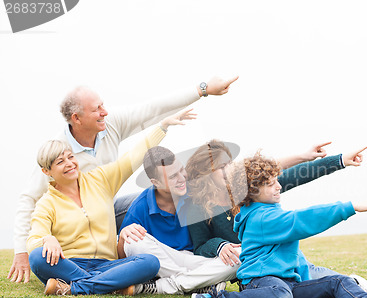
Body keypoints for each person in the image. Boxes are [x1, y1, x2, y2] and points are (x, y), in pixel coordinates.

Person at [9, 76, 239, 283]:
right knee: (40, 256)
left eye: (102, 105)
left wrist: (201, 91)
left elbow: (148, 113)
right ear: (76, 118)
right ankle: (99, 277)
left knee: (146, 204)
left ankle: (157, 258)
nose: (104, 112)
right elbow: (28, 201)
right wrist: (24, 250)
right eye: (96, 109)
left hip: (106, 210)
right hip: (75, 237)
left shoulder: (107, 140)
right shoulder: (55, 165)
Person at [191, 153, 367, 298]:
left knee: (337, 282)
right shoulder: (261, 218)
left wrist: (340, 160)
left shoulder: (270, 207)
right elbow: (302, 220)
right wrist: (350, 207)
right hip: (260, 282)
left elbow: (291, 256)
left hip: (288, 282)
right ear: (252, 192)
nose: (279, 186)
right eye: (271, 184)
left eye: (276, 180)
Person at [182, 139, 367, 298]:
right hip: (257, 270)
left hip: (287, 259)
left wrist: (340, 160)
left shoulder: (244, 189)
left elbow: (294, 175)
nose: (227, 170)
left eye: (229, 164)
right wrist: (219, 246)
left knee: (330, 281)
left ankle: (356, 286)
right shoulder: (196, 206)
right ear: (204, 172)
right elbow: (199, 245)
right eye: (220, 167)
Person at [27, 109, 196, 296]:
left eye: (71, 157)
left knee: (150, 262)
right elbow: (34, 240)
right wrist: (47, 239)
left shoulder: (100, 180)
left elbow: (131, 158)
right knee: (37, 257)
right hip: (70, 264)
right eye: (60, 162)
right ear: (47, 171)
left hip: (108, 264)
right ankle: (105, 284)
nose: (70, 164)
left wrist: (162, 127)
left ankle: (74, 288)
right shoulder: (46, 203)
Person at [117, 146, 238, 295]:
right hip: (162, 261)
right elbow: (123, 259)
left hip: (194, 260)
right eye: (173, 176)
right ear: (156, 182)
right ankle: (196, 283)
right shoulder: (140, 207)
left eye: (181, 170)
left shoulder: (196, 193)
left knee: (239, 255)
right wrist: (123, 236)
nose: (182, 178)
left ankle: (169, 285)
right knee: (133, 241)